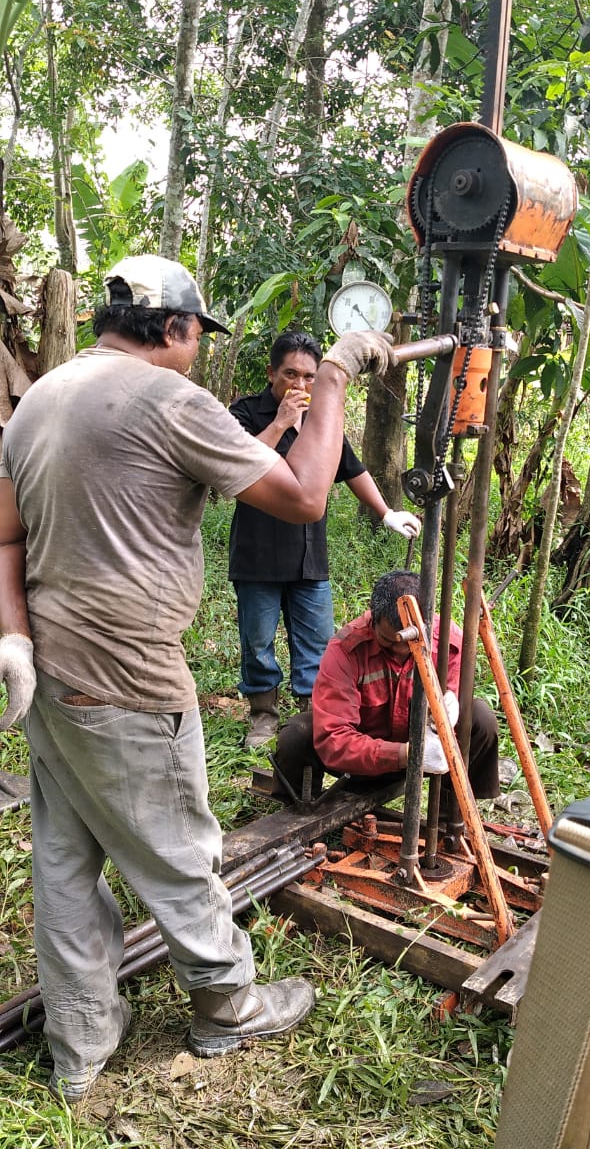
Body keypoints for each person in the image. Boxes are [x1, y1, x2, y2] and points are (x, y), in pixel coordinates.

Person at [0, 253, 396, 1103]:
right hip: (130, 678)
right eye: (195, 335)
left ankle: (81, 1039)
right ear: (175, 328)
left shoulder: (41, 397)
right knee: (181, 852)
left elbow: (3, 536)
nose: (195, 350)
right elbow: (304, 497)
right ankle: (227, 1005)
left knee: (66, 860)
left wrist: (13, 638)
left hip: (49, 676)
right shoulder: (171, 399)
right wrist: (330, 378)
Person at [228, 330, 421, 748]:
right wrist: (281, 422)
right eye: (290, 375)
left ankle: (312, 716)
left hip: (308, 556)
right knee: (257, 642)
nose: (300, 386)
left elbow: (352, 469)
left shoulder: (322, 420)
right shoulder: (244, 412)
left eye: (310, 377)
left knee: (317, 641)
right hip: (256, 553)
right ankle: (263, 715)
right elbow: (236, 466)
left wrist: (387, 511)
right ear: (271, 373)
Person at [273, 570, 500, 805]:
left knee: (480, 718)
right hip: (363, 761)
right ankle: (296, 817)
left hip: (429, 754)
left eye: (410, 643)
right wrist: (404, 754)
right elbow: (334, 738)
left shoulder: (447, 641)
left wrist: (448, 706)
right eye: (389, 641)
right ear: (373, 619)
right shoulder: (345, 651)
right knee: (296, 735)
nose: (401, 650)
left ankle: (451, 820)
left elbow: (454, 696)